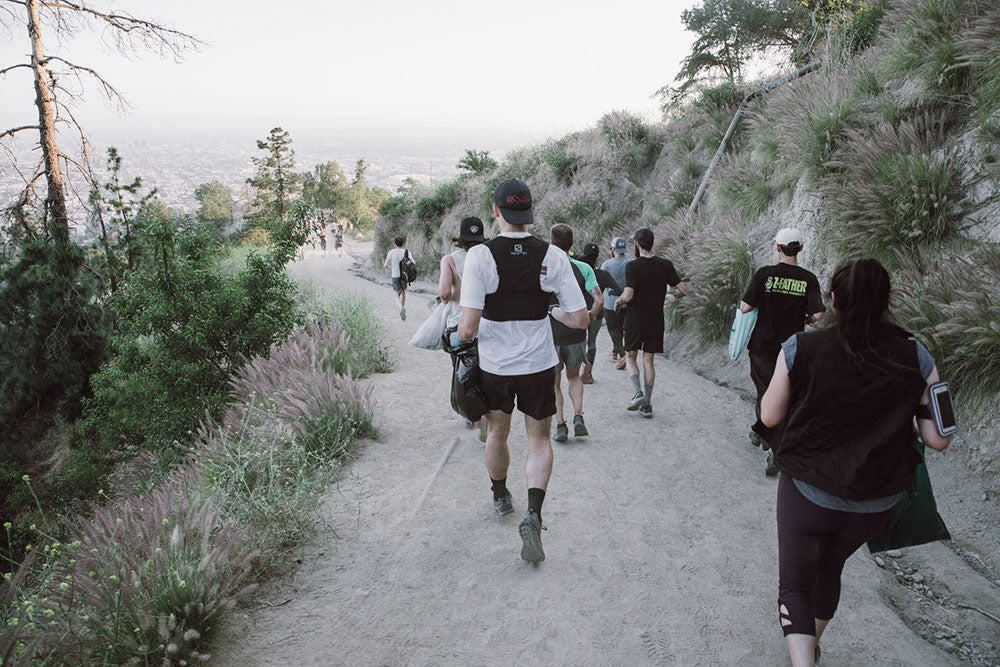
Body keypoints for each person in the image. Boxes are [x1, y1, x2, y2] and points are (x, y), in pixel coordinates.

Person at [760, 258, 952, 667]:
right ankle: (811, 645)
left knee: (795, 583)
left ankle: (803, 659)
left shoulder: (802, 347)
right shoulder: (917, 356)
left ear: (832, 300)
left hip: (808, 493)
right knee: (829, 571)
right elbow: (938, 439)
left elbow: (770, 416)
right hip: (874, 504)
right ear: (886, 301)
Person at [459, 178, 588, 564]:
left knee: (498, 432)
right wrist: (551, 311)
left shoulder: (480, 256)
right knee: (539, 440)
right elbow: (580, 319)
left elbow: (468, 327)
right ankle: (534, 513)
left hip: (497, 366)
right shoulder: (553, 256)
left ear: (496, 211)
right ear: (530, 213)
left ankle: (501, 496)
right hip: (537, 363)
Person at [739, 228, 825, 476]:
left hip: (762, 346)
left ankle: (769, 439)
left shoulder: (765, 275)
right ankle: (763, 433)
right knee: (785, 395)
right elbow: (818, 313)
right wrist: (806, 318)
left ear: (777, 248)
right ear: (800, 249)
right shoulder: (808, 279)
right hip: (792, 348)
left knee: (766, 390)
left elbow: (745, 308)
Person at [614, 228, 688, 418]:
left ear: (637, 244)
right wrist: (670, 294)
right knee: (649, 360)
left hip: (635, 319)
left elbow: (628, 295)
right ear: (652, 243)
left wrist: (618, 301)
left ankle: (638, 393)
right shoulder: (665, 264)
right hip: (655, 319)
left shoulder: (632, 266)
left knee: (630, 357)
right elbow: (683, 290)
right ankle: (647, 404)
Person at [548, 225, 603, 442]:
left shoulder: (544, 269)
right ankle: (578, 416)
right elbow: (599, 300)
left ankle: (560, 425)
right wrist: (589, 316)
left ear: (551, 244)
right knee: (573, 377)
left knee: (554, 383)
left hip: (550, 335)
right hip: (576, 334)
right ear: (572, 245)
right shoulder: (584, 268)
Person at [439, 216, 487, 430]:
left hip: (460, 320)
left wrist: (452, 294)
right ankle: (488, 411)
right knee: (485, 369)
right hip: (486, 321)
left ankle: (472, 415)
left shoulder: (449, 259)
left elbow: (443, 293)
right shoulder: (489, 256)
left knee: (462, 371)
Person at [578, 242, 621, 384]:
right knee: (592, 343)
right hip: (596, 313)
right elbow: (618, 290)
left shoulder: (579, 271)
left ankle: (578, 370)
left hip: (581, 312)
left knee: (580, 342)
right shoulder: (603, 275)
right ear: (598, 257)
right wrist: (611, 291)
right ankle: (588, 374)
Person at [601, 237, 631, 370]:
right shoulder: (631, 263)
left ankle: (623, 354)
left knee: (613, 329)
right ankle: (614, 351)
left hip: (610, 302)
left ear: (612, 249)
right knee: (621, 328)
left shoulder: (606, 264)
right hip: (627, 301)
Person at [383, 236, 411, 321]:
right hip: (404, 275)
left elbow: (385, 265)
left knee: (396, 293)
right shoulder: (406, 252)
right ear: (403, 243)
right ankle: (402, 307)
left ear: (395, 244)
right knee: (403, 292)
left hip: (395, 274)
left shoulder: (391, 252)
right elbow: (413, 262)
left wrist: (391, 268)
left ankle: (401, 307)